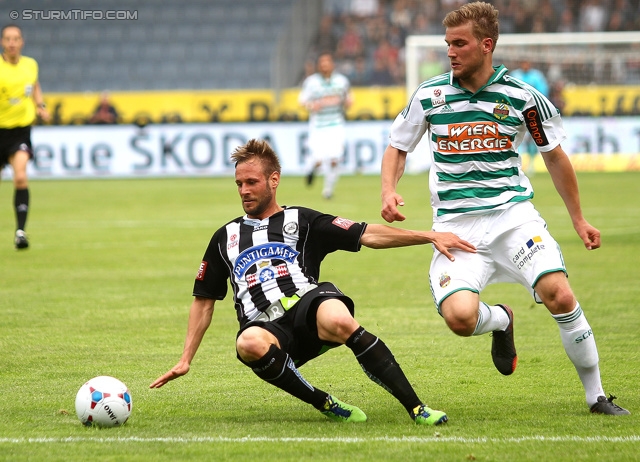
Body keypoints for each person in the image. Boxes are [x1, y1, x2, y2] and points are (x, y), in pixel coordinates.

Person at [380, 2, 629, 416]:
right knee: (460, 319)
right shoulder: (431, 95)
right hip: (455, 229)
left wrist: (579, 219)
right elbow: (398, 146)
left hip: (513, 219)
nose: (451, 52)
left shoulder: (522, 98)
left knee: (559, 293)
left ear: (486, 44)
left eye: (460, 43)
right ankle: (501, 320)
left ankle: (597, 396)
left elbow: (553, 156)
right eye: (448, 44)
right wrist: (389, 189)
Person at [150, 138, 477, 425]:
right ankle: (325, 402)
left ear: (273, 180)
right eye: (239, 184)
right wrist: (185, 359)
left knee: (338, 316)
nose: (244, 190)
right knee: (247, 343)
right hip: (267, 328)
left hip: (308, 307)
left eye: (251, 182)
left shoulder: (303, 220)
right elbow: (204, 300)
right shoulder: (226, 236)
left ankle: (417, 409)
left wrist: (427, 235)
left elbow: (368, 234)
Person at [0, 24, 49, 250]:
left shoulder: (31, 65)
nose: (11, 43)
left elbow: (35, 86)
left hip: (20, 131)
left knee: (20, 177)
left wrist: (40, 106)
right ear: (2, 42)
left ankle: (20, 232)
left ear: (22, 42)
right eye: (8, 39)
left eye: (15, 38)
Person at [299, 52, 352, 199]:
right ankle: (311, 170)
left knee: (335, 159)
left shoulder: (342, 81)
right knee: (318, 160)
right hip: (318, 126)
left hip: (336, 125)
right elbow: (302, 101)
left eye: (327, 62)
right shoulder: (311, 82)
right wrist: (311, 105)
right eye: (322, 63)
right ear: (319, 66)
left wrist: (348, 104)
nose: (324, 66)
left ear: (332, 64)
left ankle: (328, 191)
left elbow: (348, 100)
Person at [509, 59, 550, 174]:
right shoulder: (515, 75)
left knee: (534, 139)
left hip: (532, 112)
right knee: (515, 138)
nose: (525, 65)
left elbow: (543, 92)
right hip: (516, 112)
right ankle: (517, 163)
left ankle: (531, 164)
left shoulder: (537, 76)